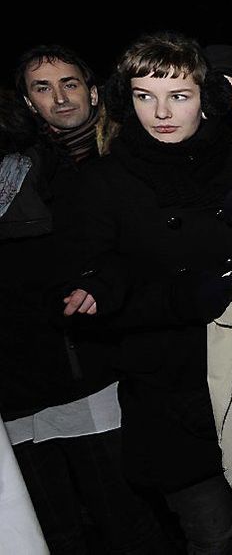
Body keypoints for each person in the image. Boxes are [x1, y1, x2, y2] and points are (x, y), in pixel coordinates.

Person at [60, 32, 232, 552]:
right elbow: (96, 293)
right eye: (144, 96)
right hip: (172, 400)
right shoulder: (103, 182)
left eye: (178, 95)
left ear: (205, 99)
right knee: (215, 538)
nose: (160, 112)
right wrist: (171, 301)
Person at [1, 91, 169, 553]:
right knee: (49, 534)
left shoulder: (49, 172)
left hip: (78, 378)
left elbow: (110, 252)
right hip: (12, 400)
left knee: (124, 519)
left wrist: (96, 289)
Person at [16, 45, 115, 161]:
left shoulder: (129, 145)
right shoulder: (23, 167)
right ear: (30, 103)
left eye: (70, 86)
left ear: (93, 94)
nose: (60, 99)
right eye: (44, 89)